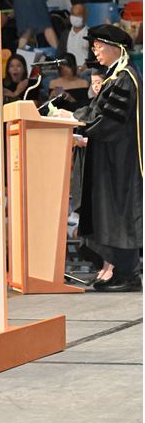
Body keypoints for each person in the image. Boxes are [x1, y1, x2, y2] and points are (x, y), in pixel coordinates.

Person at [53, 25, 142, 292]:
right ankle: (118, 272)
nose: (95, 51)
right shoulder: (116, 75)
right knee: (110, 213)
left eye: (98, 46)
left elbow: (110, 119)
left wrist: (76, 118)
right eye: (93, 47)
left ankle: (128, 275)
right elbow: (98, 110)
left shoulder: (125, 77)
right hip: (110, 157)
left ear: (114, 47)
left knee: (119, 213)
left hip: (121, 159)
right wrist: (75, 116)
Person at [56, 3, 92, 74]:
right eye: (73, 13)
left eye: (79, 14)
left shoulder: (91, 34)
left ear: (85, 17)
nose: (75, 17)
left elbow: (93, 59)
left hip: (85, 70)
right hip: (67, 69)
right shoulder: (65, 35)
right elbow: (59, 55)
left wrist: (81, 69)